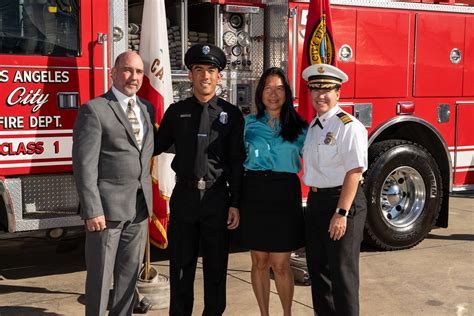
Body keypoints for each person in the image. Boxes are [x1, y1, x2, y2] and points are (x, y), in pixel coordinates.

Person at [154, 43, 245, 315]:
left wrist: (235, 203)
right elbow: (154, 145)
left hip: (217, 198)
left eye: (211, 70)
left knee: (216, 269)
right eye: (199, 70)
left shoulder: (232, 115)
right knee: (181, 268)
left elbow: (237, 163)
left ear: (219, 77)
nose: (205, 76)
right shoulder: (176, 112)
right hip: (184, 198)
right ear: (190, 75)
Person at [72, 51, 155, 316]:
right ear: (113, 72)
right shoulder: (94, 109)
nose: (134, 77)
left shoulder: (146, 108)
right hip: (105, 213)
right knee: (100, 278)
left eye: (139, 72)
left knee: (129, 278)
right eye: (128, 70)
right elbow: (84, 165)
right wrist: (92, 209)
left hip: (139, 208)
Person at [301, 63, 368, 316]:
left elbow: (354, 171)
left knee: (343, 274)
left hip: (342, 202)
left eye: (327, 89)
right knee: (318, 271)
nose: (320, 95)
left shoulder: (347, 126)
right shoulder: (314, 126)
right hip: (317, 202)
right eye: (315, 89)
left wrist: (341, 213)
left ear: (338, 93)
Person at [240, 67, 308, 316]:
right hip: (255, 193)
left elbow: (316, 160)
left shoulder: (300, 127)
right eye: (268, 87)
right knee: (258, 261)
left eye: (279, 88)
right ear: (260, 93)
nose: (273, 93)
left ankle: (287, 313)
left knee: (280, 264)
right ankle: (264, 314)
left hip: (284, 195)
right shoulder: (248, 124)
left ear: (286, 93)